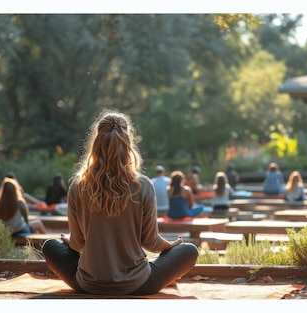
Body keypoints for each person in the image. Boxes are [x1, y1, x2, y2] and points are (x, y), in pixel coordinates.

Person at [41, 109, 198, 296]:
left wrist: (69, 241)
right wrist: (169, 246)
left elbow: (78, 244)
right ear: (128, 143)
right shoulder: (143, 185)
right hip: (139, 284)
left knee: (50, 246)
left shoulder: (78, 185)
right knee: (189, 251)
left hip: (88, 284)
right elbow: (151, 243)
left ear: (96, 143)